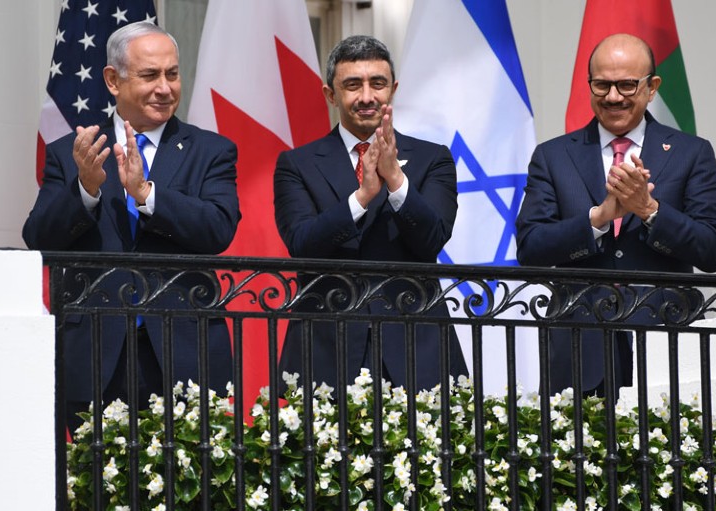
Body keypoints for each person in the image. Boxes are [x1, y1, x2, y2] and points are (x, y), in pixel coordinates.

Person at [23, 22, 241, 430]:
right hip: (95, 350)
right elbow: (38, 238)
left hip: (185, 348)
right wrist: (85, 189)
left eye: (172, 74)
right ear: (112, 79)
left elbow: (218, 229)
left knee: (189, 486)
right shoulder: (72, 154)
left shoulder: (211, 151)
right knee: (96, 485)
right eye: (150, 75)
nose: (165, 87)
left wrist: (147, 195)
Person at [515, 33, 716, 397]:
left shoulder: (691, 153)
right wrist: (598, 218)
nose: (613, 97)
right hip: (579, 347)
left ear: (652, 88)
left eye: (627, 85)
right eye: (602, 85)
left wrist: (649, 211)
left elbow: (712, 249)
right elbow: (531, 247)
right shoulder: (553, 156)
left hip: (665, 343)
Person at [273, 35, 468, 392]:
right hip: (326, 346)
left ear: (392, 89)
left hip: (415, 344)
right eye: (352, 85)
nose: (366, 97)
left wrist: (395, 180)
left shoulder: (432, 158)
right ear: (330, 95)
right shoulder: (296, 164)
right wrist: (362, 197)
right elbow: (301, 245)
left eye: (377, 84)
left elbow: (433, 239)